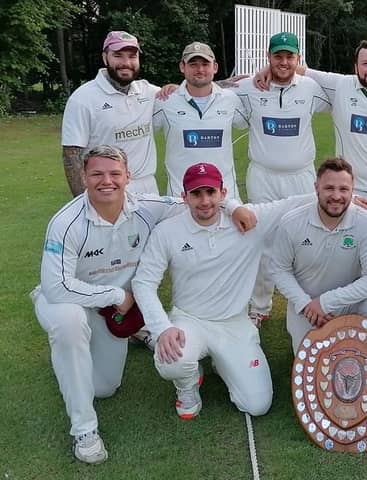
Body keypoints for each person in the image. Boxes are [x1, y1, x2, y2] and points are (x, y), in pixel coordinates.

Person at [32, 146, 253, 464]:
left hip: (115, 312)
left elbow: (195, 199)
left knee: (105, 387)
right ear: (83, 177)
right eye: (96, 174)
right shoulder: (66, 222)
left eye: (114, 174)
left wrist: (234, 206)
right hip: (66, 301)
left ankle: (133, 335)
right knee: (69, 326)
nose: (106, 181)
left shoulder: (147, 206)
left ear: (127, 177)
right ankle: (84, 429)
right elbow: (56, 285)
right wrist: (115, 296)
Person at [131, 162, 326, 420]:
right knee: (172, 360)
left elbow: (291, 203)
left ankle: (222, 361)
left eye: (210, 193)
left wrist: (345, 197)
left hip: (234, 324)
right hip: (189, 320)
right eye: (196, 194)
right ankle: (188, 385)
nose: (204, 201)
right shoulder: (167, 231)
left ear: (223, 194)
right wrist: (162, 328)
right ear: (184, 197)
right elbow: (143, 282)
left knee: (257, 405)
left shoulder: (250, 220)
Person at [234, 32, 331, 324]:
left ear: (298, 59)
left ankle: (307, 303)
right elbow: (210, 88)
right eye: (278, 56)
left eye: (290, 56)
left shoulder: (311, 88)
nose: (284, 62)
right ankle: (259, 308)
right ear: (269, 58)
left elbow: (347, 88)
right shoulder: (250, 88)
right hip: (263, 176)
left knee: (306, 241)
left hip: (301, 177)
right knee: (262, 243)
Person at [276, 40, 367, 250]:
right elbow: (299, 69)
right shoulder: (340, 86)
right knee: (347, 254)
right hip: (350, 191)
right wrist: (267, 69)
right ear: (356, 67)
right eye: (365, 64)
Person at [269, 157, 367, 350]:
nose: (336, 196)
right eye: (329, 188)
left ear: (352, 190)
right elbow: (279, 270)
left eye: (344, 189)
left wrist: (328, 301)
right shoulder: (292, 222)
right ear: (316, 188)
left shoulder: (366, 222)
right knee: (314, 370)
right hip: (309, 307)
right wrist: (305, 304)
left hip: (352, 302)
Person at [62, 31, 161, 195]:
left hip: (147, 189)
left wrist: (175, 87)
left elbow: (196, 91)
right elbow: (71, 156)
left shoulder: (148, 92)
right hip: (106, 189)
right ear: (105, 57)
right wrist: (82, 202)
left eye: (132, 56)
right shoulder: (83, 98)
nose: (126, 62)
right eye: (118, 55)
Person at [153, 42, 248, 198]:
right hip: (180, 199)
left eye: (205, 64)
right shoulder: (165, 101)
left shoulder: (231, 99)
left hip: (226, 197)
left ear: (215, 67)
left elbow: (251, 120)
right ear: (182, 67)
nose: (200, 69)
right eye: (193, 64)